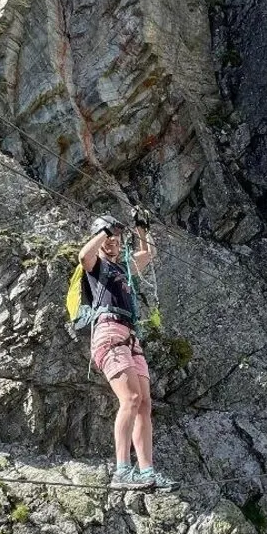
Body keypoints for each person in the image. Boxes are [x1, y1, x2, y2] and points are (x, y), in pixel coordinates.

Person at [78, 211, 177, 492]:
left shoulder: (122, 268)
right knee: (131, 398)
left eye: (117, 240)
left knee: (144, 404)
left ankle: (147, 471)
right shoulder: (96, 266)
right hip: (108, 331)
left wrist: (141, 228)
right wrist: (104, 231)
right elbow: (84, 255)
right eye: (109, 239)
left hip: (130, 335)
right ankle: (122, 470)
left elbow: (149, 253)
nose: (113, 243)